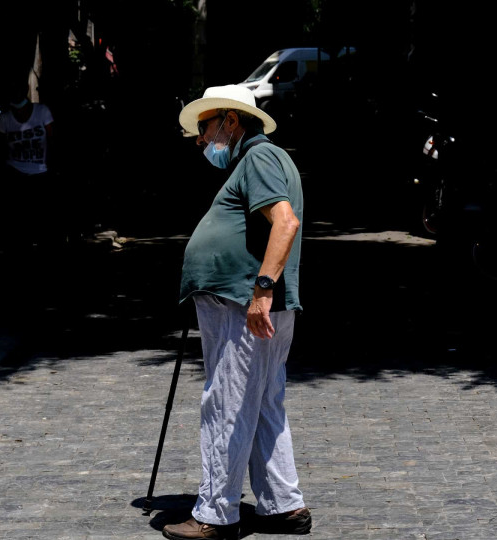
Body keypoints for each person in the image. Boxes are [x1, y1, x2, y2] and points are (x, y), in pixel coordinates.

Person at [163, 85, 310, 540]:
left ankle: (213, 513)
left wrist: (262, 290)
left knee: (227, 401)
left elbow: (284, 222)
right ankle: (282, 505)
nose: (199, 140)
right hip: (246, 301)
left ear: (231, 120)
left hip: (244, 302)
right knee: (263, 401)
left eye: (204, 128)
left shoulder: (260, 157)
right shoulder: (258, 159)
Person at [0, 80, 61, 262]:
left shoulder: (42, 112)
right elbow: (0, 148)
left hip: (41, 173)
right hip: (16, 175)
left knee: (43, 222)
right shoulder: (5, 118)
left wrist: (54, 169)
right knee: (20, 224)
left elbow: (53, 141)